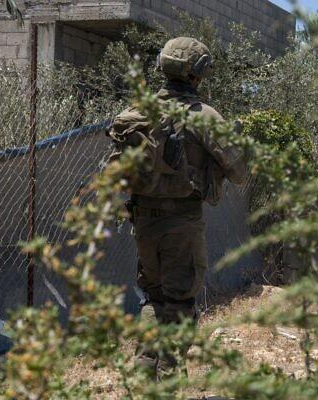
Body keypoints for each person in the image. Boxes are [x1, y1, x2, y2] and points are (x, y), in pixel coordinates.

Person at [107, 37, 247, 376]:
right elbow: (240, 173)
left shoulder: (137, 113)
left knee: (153, 299)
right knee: (180, 302)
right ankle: (168, 379)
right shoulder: (204, 116)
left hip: (143, 223)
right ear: (196, 74)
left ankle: (145, 371)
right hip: (182, 223)